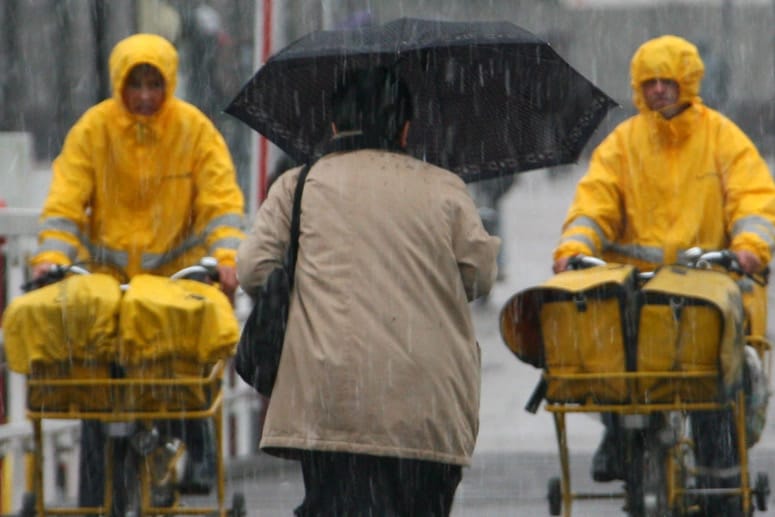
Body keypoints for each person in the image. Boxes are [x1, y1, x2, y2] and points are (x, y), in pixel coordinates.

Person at [236, 67, 500, 516]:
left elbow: (252, 270)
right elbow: (479, 276)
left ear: (335, 125)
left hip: (332, 399)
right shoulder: (444, 187)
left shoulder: (297, 186)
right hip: (427, 402)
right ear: (405, 128)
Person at [552, 35, 775, 516]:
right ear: (636, 86)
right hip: (640, 293)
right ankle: (621, 438)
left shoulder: (723, 139)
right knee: (616, 365)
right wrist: (574, 249)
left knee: (714, 389)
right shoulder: (622, 146)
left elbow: (754, 198)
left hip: (709, 294)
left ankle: (722, 482)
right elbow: (594, 204)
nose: (657, 91)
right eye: (648, 82)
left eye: (666, 81)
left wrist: (750, 249)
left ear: (687, 82)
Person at [29, 33, 245, 513]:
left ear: (167, 83)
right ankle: (95, 496)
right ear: (118, 84)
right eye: (136, 84)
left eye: (154, 83)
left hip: (172, 286)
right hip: (106, 285)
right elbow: (66, 202)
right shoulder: (93, 130)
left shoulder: (194, 130)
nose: (145, 95)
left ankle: (198, 455)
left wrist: (226, 259)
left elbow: (220, 204)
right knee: (97, 392)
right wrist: (50, 257)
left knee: (184, 374)